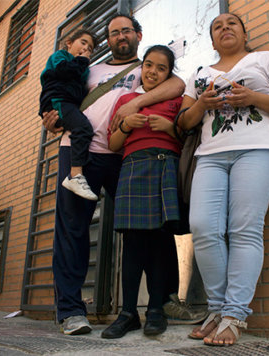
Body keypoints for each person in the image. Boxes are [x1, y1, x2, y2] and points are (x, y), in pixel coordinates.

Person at [42, 14, 185, 335]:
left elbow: (177, 84)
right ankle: (70, 311)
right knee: (72, 230)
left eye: (126, 31)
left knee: (150, 229)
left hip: (125, 156)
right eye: (113, 32)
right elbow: (61, 95)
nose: (120, 36)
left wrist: (136, 105)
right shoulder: (87, 69)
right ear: (107, 40)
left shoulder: (146, 68)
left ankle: (163, 301)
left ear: (138, 34)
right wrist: (51, 116)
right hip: (78, 154)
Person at [177, 13, 269, 346]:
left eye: (232, 23)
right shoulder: (199, 74)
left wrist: (253, 98)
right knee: (203, 228)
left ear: (244, 33)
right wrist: (202, 103)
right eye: (217, 26)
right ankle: (216, 309)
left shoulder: (266, 59)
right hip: (210, 156)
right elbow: (185, 121)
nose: (225, 28)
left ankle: (234, 315)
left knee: (245, 228)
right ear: (212, 40)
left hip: (257, 149)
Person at [101, 45, 183, 339]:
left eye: (161, 68)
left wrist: (170, 127)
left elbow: (187, 134)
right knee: (133, 242)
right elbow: (112, 144)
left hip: (164, 167)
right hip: (133, 168)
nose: (153, 72)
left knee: (161, 239)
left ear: (169, 73)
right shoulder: (125, 100)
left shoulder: (176, 98)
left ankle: (157, 310)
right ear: (142, 67)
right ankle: (128, 313)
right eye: (149, 65)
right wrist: (125, 124)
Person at [39, 29, 99, 200]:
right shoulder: (60, 56)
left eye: (91, 47)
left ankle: (80, 173)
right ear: (69, 43)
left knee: (83, 128)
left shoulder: (83, 69)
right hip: (57, 100)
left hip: (68, 104)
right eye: (83, 42)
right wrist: (82, 61)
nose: (86, 48)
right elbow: (63, 72)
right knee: (83, 127)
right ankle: (75, 176)